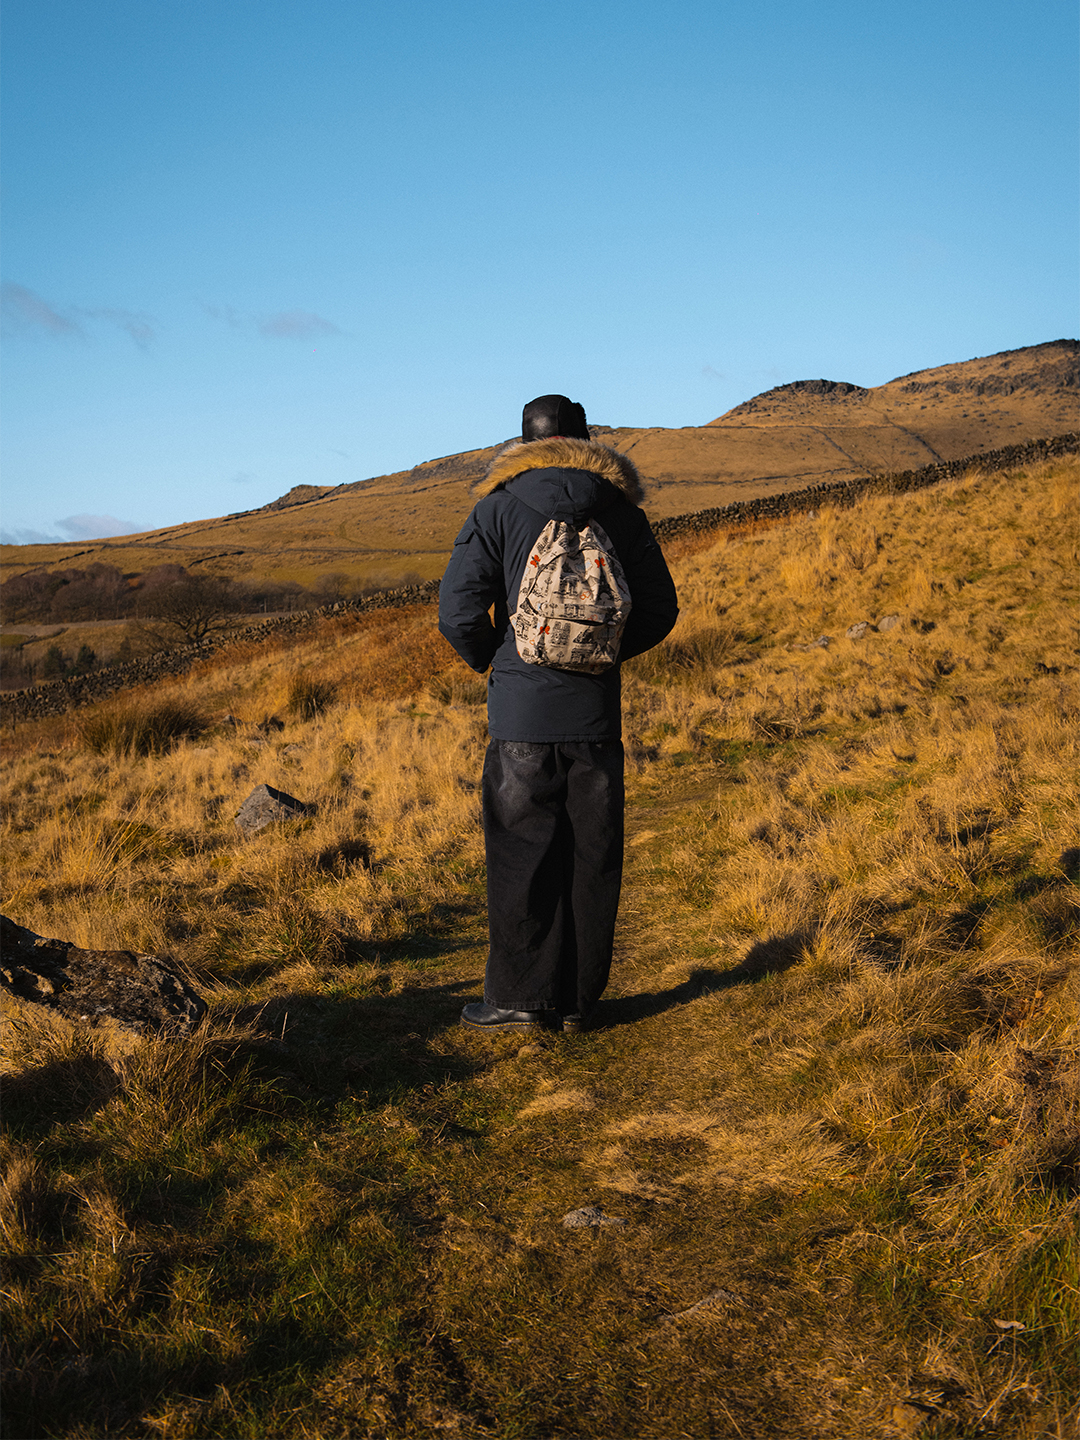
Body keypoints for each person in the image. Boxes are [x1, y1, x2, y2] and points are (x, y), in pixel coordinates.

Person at [438, 394, 679, 1032]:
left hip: (520, 715)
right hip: (595, 717)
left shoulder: (496, 507)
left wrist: (501, 663)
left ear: (522, 444)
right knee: (591, 856)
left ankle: (521, 998)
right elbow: (659, 609)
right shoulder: (622, 513)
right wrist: (601, 655)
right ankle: (578, 1003)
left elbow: (458, 612)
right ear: (587, 440)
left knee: (521, 852)